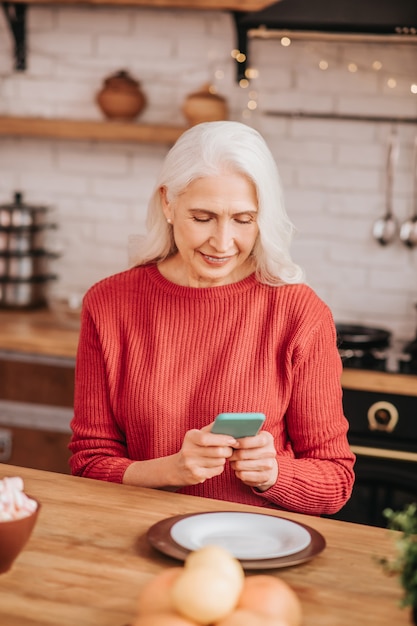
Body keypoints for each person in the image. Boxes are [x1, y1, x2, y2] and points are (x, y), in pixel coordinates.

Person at [69, 120, 355, 516]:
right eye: (203, 218)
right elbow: (89, 462)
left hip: (258, 547)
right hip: (135, 537)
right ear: (168, 203)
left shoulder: (299, 314)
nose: (222, 243)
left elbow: (335, 482)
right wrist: (170, 470)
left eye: (243, 220)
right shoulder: (109, 304)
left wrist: (274, 474)